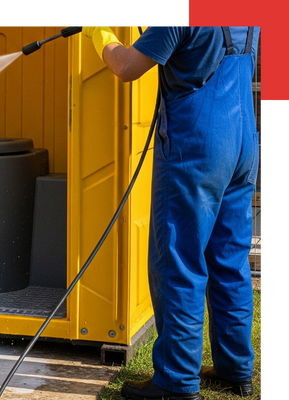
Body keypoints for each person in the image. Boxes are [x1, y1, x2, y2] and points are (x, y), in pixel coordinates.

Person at [83, 24, 259, 400]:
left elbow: (128, 66)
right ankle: (236, 370)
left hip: (198, 143)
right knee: (230, 258)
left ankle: (176, 382)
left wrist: (100, 36)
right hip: (244, 138)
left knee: (179, 261)